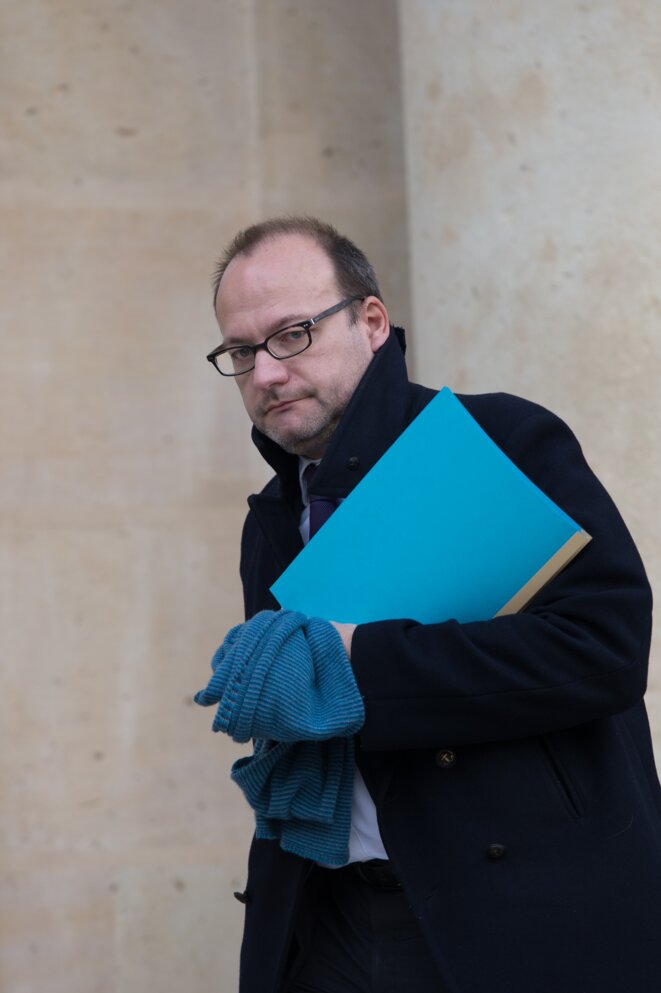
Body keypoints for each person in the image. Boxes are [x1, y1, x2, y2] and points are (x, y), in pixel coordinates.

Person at [203, 216, 660, 993]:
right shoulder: (273, 516)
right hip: (329, 922)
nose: (266, 374)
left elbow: (606, 648)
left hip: (511, 919)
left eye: (291, 335)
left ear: (371, 322)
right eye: (241, 352)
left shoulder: (498, 439)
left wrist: (356, 663)